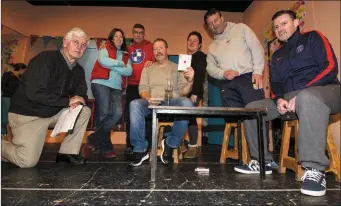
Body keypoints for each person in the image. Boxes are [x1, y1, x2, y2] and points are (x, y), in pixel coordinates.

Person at [234, 10, 340, 197]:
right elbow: (275, 84)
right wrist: (279, 99)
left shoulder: (313, 37)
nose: (280, 29)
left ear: (296, 22)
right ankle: (262, 161)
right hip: (291, 97)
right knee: (252, 108)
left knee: (307, 96)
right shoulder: (277, 56)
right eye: (276, 27)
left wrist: (301, 93)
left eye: (284, 23)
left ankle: (314, 169)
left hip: (326, 90)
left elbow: (331, 67)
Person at [1, 27, 91, 168]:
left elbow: (81, 93)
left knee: (83, 110)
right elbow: (34, 93)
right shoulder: (45, 59)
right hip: (28, 115)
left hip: (52, 112)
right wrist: (67, 101)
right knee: (27, 161)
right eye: (76, 42)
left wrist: (78, 100)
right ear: (65, 42)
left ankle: (67, 154)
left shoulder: (78, 70)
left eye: (83, 44)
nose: (80, 47)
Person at [129, 38, 194, 167]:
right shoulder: (148, 68)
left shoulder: (177, 68)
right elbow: (142, 89)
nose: (158, 51)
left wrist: (190, 81)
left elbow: (183, 92)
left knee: (187, 103)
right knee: (134, 104)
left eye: (161, 48)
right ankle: (140, 149)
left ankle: (170, 143)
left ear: (167, 50)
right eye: (155, 49)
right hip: (152, 101)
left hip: (172, 100)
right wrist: (148, 99)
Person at [81, 28, 132, 158]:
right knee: (104, 113)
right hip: (100, 82)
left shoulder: (126, 54)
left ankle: (93, 140)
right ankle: (106, 148)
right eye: (116, 36)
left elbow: (129, 72)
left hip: (116, 87)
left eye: (121, 36)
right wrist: (120, 64)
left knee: (117, 113)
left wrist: (112, 65)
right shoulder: (104, 48)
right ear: (111, 38)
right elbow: (103, 61)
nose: (119, 38)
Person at [204, 8, 265, 109]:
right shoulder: (212, 47)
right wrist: (223, 74)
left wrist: (258, 71)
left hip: (249, 78)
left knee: (256, 113)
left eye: (216, 20)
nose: (214, 25)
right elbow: (210, 68)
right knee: (235, 118)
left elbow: (256, 47)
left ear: (222, 19)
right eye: (210, 24)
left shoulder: (241, 28)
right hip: (227, 84)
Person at [125, 23, 155, 155]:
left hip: (147, 86)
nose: (138, 35)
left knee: (148, 116)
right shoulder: (128, 48)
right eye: (135, 32)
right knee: (130, 116)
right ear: (132, 34)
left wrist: (152, 62)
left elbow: (159, 60)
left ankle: (147, 144)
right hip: (131, 85)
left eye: (140, 32)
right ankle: (130, 145)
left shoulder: (150, 46)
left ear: (144, 34)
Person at [183, 31, 207, 159]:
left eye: (195, 41)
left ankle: (193, 146)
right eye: (189, 40)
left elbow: (200, 76)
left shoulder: (199, 56)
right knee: (183, 117)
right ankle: (183, 144)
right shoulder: (186, 58)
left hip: (193, 93)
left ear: (199, 45)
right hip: (184, 91)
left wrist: (195, 93)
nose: (191, 42)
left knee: (190, 117)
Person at [1, 63, 27, 139]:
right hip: (7, 98)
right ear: (20, 69)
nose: (25, 72)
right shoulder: (8, 75)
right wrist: (11, 92)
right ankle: (4, 134)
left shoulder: (19, 78)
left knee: (10, 118)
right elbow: (2, 85)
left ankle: (7, 136)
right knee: (5, 118)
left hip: (14, 100)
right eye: (25, 70)